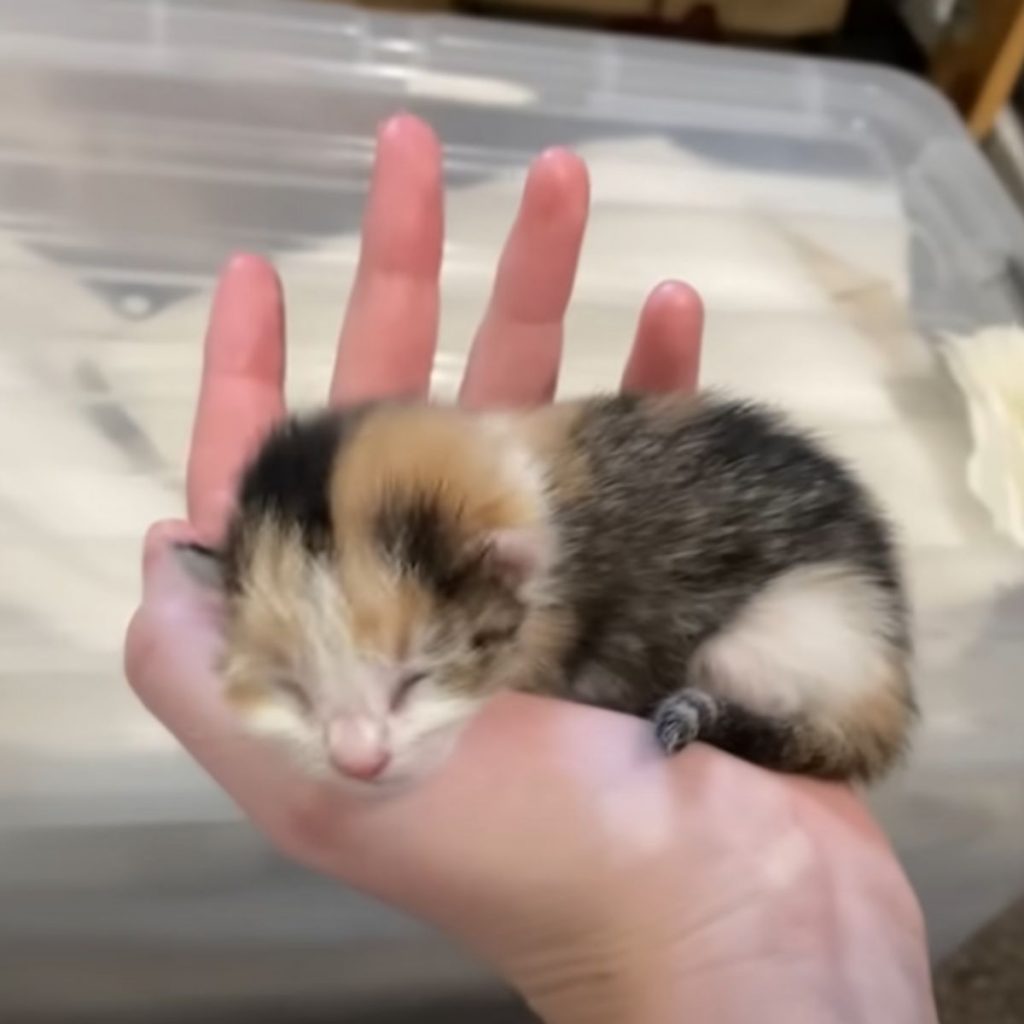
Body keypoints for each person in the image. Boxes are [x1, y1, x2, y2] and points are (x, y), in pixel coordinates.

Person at [125, 115, 939, 1023]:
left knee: (724, 651)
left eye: (414, 680)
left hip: (811, 626)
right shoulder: (472, 565)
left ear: (509, 566)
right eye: (299, 688)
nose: (355, 751)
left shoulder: (533, 566)